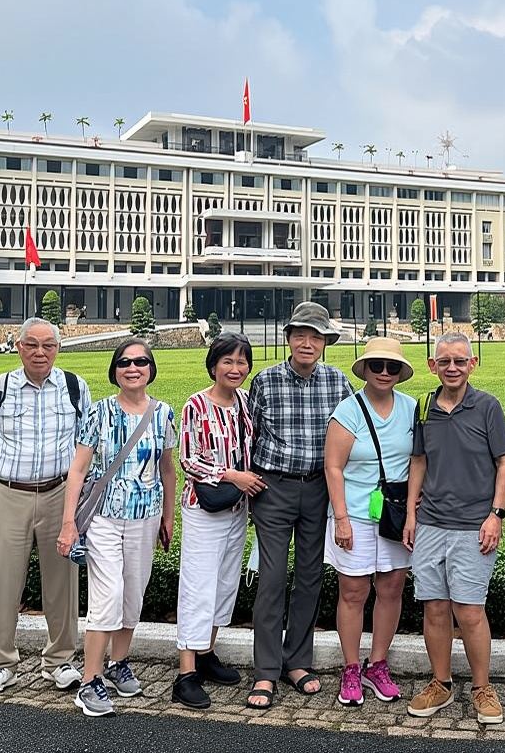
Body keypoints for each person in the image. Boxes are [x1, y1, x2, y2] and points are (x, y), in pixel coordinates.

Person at [57, 338, 176, 717]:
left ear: (151, 368)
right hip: (105, 517)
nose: (133, 367)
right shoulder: (99, 412)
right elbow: (77, 470)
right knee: (107, 596)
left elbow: (168, 470)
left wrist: (169, 517)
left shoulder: (162, 413)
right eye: (124, 362)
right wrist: (68, 524)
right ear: (115, 370)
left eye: (141, 361)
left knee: (132, 596)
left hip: (146, 516)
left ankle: (118, 662)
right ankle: (90, 681)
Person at [0, 318, 91, 699]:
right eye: (32, 345)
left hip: (60, 493)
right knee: (3, 580)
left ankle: (59, 661)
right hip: (10, 493)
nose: (40, 352)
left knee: (62, 582)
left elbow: (85, 444)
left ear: (58, 349)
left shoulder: (75, 388)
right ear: (19, 347)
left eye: (48, 345)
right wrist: (3, 478)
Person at [246, 301, 352, 709]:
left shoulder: (338, 382)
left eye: (316, 336)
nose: (308, 343)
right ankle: (266, 671)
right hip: (274, 489)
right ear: (289, 339)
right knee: (272, 578)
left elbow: (352, 433)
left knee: (310, 575)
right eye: (301, 335)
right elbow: (248, 434)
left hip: (320, 489)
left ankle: (297, 662)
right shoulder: (266, 381)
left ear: (326, 342)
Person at [403, 333, 505, 726]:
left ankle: (482, 687)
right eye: (444, 361)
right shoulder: (427, 407)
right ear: (433, 365)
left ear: (473, 363)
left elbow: (503, 462)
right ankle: (442, 683)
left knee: (468, 610)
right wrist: (412, 515)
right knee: (434, 608)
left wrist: (496, 514)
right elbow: (419, 461)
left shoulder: (487, 407)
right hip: (431, 523)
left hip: (473, 526)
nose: (452, 367)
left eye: (459, 361)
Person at [324, 337, 415, 707]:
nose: (384, 372)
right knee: (354, 591)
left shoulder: (410, 408)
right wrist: (341, 518)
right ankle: (350, 666)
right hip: (356, 514)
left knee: (391, 587)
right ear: (365, 369)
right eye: (376, 365)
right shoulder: (348, 410)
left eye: (392, 367)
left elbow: (420, 461)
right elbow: (333, 467)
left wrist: (412, 509)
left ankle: (377, 664)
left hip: (393, 513)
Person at [173, 333, 262, 710]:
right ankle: (185, 672)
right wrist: (233, 476)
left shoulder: (245, 403)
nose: (235, 368)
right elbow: (188, 459)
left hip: (236, 509)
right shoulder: (197, 404)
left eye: (242, 362)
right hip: (204, 508)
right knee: (198, 584)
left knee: (225, 583)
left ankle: (207, 652)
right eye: (228, 361)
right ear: (214, 365)